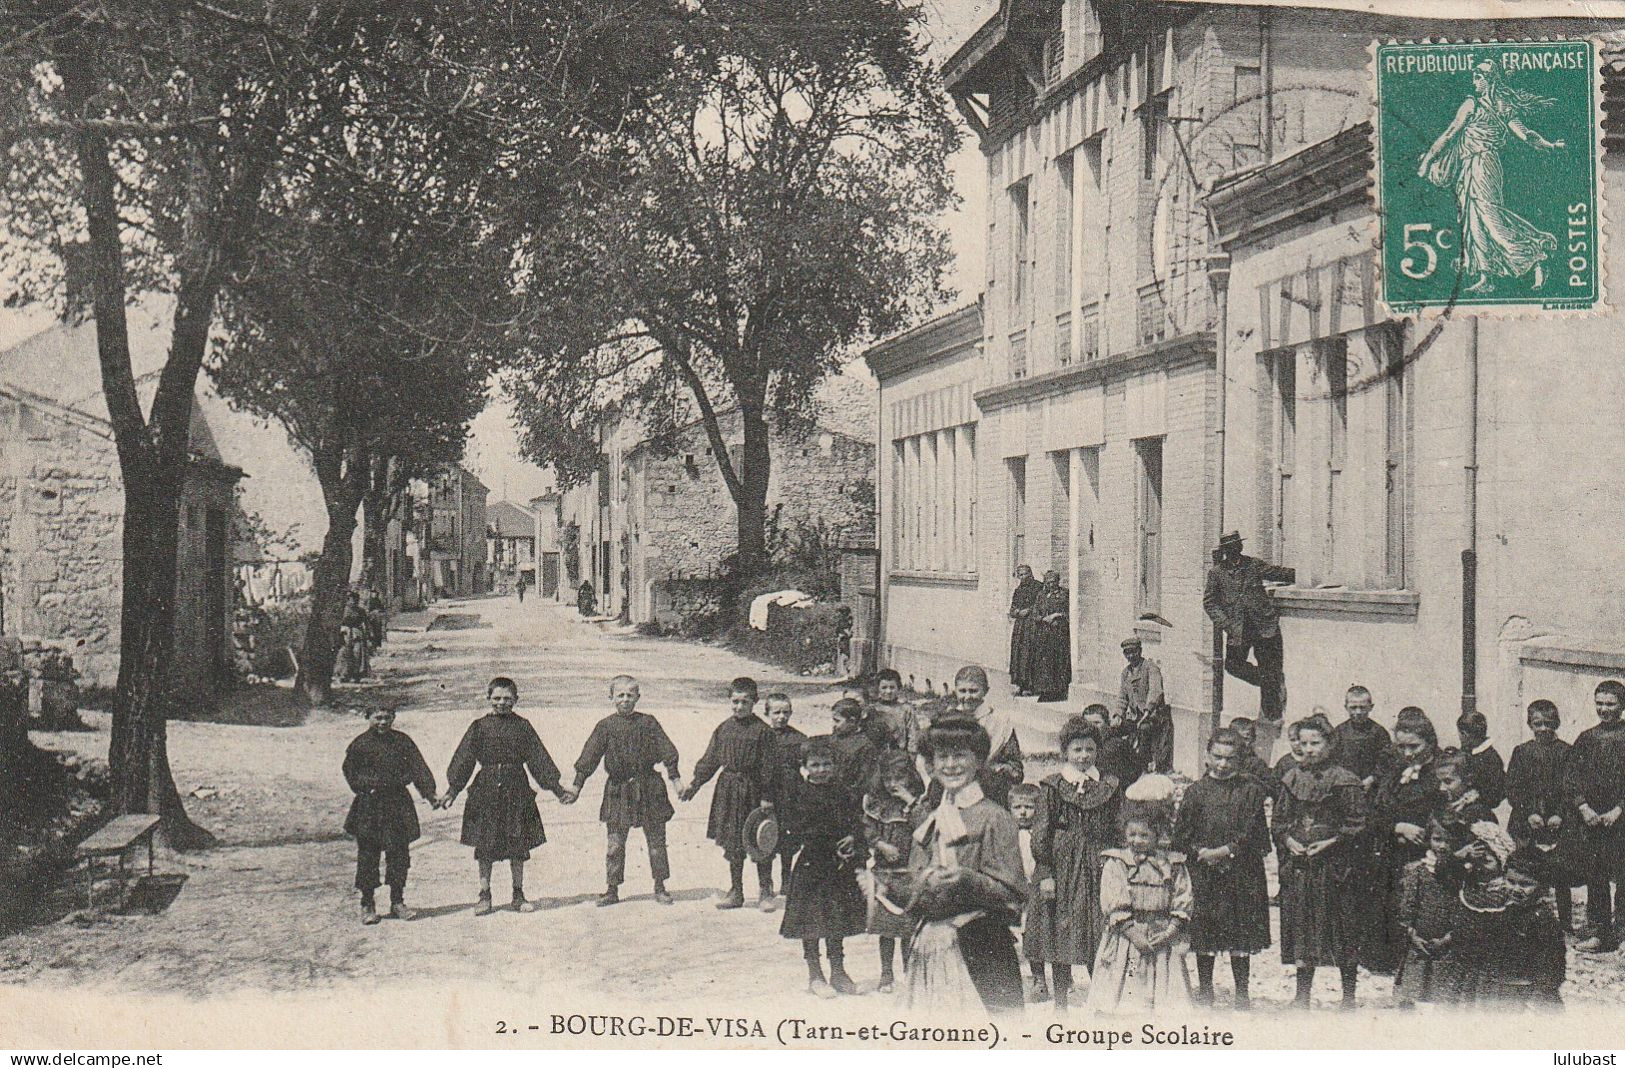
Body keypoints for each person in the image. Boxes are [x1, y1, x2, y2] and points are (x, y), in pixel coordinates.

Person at [902, 716, 1027, 1016]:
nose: (951, 765)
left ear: (979, 760)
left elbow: (1013, 895)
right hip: (930, 947)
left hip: (982, 945)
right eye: (942, 756)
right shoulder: (930, 817)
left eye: (960, 755)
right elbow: (913, 880)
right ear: (931, 764)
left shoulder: (994, 818)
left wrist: (967, 879)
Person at [1417, 60, 1563, 295]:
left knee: (1490, 217)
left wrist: (1550, 145)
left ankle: (1535, 257)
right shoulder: (1475, 103)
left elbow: (1524, 134)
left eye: (1479, 77)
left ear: (1490, 79)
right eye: (1474, 77)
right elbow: (1451, 133)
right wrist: (1429, 160)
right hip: (1468, 166)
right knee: (1472, 221)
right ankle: (1487, 277)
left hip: (1484, 165)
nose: (1474, 82)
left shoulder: (1486, 105)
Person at [441, 677, 572, 915]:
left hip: (516, 789)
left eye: (508, 699)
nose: (502, 703)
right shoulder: (478, 727)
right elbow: (464, 760)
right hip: (486, 791)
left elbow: (538, 759)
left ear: (516, 700)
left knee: (517, 842)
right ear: (488, 699)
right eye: (497, 698)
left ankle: (518, 893)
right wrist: (453, 789)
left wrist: (557, 789)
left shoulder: (523, 726)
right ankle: (484, 894)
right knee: (485, 844)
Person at [1174, 727, 1272, 1010]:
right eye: (1217, 757)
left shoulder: (1250, 791)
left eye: (1229, 758)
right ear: (1207, 755)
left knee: (1241, 933)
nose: (1222, 764)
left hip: (1241, 872)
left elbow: (1253, 832)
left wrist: (1226, 851)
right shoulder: (1195, 792)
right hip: (1205, 872)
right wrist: (1200, 852)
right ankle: (1206, 990)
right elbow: (1182, 834)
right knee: (1206, 932)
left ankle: (1242, 993)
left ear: (1239, 759)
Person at [1274, 716, 1367, 1009]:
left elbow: (1358, 824)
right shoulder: (1292, 778)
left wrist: (1329, 843)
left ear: (1330, 743)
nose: (1310, 749)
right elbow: (1279, 822)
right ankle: (1301, 996)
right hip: (1302, 868)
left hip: (1336, 868)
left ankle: (1348, 998)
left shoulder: (1345, 780)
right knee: (1303, 927)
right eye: (1304, 743)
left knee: (1342, 928)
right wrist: (1289, 842)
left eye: (1316, 743)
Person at [1031, 714, 1121, 1012]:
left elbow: (1117, 828)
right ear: (1065, 753)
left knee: (1099, 928)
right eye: (1077, 750)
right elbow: (1041, 831)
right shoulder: (1054, 786)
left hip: (1097, 864)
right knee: (1062, 929)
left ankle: (1100, 999)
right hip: (1062, 865)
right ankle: (1060, 1002)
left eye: (1089, 750)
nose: (1083, 756)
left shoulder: (1108, 786)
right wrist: (1045, 872)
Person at [569, 675, 681, 908]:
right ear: (611, 698)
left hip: (649, 788)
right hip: (618, 790)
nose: (625, 699)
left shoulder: (649, 723)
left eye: (630, 695)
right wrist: (577, 785)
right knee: (615, 844)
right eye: (620, 695)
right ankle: (612, 888)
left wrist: (676, 780)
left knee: (657, 842)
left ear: (638, 697)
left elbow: (668, 751)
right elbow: (589, 757)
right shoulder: (605, 726)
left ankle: (660, 887)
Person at [1087, 775, 1195, 1014]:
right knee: (1126, 985)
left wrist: (1170, 932)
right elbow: (1113, 901)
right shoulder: (1117, 862)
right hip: (1128, 938)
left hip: (1161, 935)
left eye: (1144, 836)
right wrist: (1133, 934)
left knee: (1165, 993)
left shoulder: (1172, 864)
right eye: (1132, 834)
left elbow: (1182, 897)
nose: (1137, 840)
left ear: (1158, 834)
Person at [1438, 825, 1566, 1008]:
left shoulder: (1543, 919)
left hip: (1529, 991)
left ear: (1542, 887)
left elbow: (1554, 962)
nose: (1516, 889)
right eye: (1511, 881)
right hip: (1501, 985)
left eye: (1525, 884)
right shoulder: (1507, 910)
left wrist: (1541, 992)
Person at [779, 736, 867, 998]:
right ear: (805, 766)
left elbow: (855, 821)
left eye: (826, 764)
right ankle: (815, 974)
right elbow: (793, 830)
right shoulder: (799, 794)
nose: (821, 770)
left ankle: (838, 971)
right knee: (811, 921)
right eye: (815, 765)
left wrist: (853, 837)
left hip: (838, 868)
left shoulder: (842, 792)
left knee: (836, 919)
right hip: (812, 866)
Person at [681, 677, 774, 910]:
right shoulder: (724, 729)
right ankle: (737, 891)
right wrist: (695, 784)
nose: (739, 707)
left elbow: (770, 767)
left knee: (760, 839)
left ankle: (765, 891)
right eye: (735, 702)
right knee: (733, 841)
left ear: (755, 702)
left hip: (753, 790)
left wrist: (767, 795)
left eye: (745, 702)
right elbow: (711, 760)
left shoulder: (763, 731)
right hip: (729, 791)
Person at [342, 706, 439, 925]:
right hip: (370, 804)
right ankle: (367, 903)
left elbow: (418, 768)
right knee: (368, 854)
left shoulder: (403, 741)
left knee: (398, 853)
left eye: (387, 718)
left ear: (393, 718)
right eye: (377, 717)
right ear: (368, 717)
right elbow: (350, 771)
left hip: (397, 803)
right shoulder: (360, 744)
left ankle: (397, 901)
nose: (382, 722)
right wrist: (364, 787)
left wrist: (429, 793)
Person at [1365, 711, 1446, 973]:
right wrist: (1398, 826)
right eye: (1401, 747)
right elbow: (1376, 812)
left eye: (1414, 746)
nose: (1408, 753)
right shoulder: (1396, 770)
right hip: (1393, 849)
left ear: (1430, 742)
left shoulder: (1441, 773)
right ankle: (1388, 961)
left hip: (1425, 851)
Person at [1202, 531, 1294, 722]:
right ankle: (1270, 680)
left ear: (1241, 547)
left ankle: (1273, 718)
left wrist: (1302, 575)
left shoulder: (1253, 564)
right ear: (1225, 550)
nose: (1235, 550)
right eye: (1230, 547)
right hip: (1238, 629)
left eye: (1237, 545)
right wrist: (1226, 624)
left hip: (1264, 625)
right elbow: (1209, 603)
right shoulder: (1217, 573)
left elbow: (1277, 572)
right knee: (1233, 665)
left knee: (1268, 664)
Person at [1563, 678, 1625, 952]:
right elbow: (1571, 778)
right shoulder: (1587, 739)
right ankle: (1599, 931)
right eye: (1599, 703)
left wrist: (1619, 809)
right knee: (1596, 876)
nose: (1604, 709)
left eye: (1610, 704)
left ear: (1622, 705)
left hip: (1621, 820)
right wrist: (1583, 807)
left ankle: (1622, 933)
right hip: (1593, 822)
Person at [1506, 699, 1575, 930]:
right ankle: (1520, 920)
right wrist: (1528, 813)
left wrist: (1561, 814)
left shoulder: (1566, 752)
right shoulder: (1522, 752)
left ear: (1556, 723)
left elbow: (1571, 787)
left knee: (1560, 874)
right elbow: (1513, 788)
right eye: (1538, 723)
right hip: (1527, 822)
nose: (1543, 728)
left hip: (1558, 823)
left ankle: (1564, 924)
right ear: (1530, 724)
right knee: (1525, 871)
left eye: (1548, 723)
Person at [863, 750, 927, 994]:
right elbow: (867, 830)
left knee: (909, 927)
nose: (892, 785)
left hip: (910, 873)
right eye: (888, 780)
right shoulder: (877, 805)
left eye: (899, 779)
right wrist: (881, 845)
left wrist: (910, 801)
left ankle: (910, 971)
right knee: (887, 927)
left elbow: (926, 828)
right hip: (885, 873)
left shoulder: (918, 803)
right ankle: (886, 973)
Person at [924, 666, 1023, 810]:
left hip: (988, 788)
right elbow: (930, 757)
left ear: (985, 691)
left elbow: (1015, 767)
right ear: (955, 690)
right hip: (951, 783)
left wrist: (998, 769)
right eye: (962, 691)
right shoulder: (947, 719)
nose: (967, 697)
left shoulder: (1000, 722)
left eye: (973, 691)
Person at [1393, 817, 1466, 1010]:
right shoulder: (1417, 870)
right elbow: (1408, 905)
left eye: (1448, 841)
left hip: (1447, 944)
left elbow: (1462, 909)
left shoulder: (1461, 874)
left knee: (1444, 999)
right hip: (1419, 943)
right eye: (1437, 839)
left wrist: (1449, 938)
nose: (1442, 846)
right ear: (1428, 840)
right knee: (1410, 997)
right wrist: (1412, 935)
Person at [761, 692, 807, 909]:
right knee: (768, 836)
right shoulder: (762, 736)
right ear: (767, 713)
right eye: (776, 712)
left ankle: (786, 878)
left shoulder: (799, 739)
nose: (781, 717)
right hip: (768, 794)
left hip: (792, 793)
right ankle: (766, 882)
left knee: (789, 838)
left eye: (785, 712)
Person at [1009, 782, 1051, 1004]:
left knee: (1045, 932)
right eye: (1017, 807)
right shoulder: (1010, 834)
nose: (1023, 812)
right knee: (1028, 933)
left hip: (1040, 887)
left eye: (1029, 807)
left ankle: (1066, 979)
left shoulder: (1043, 834)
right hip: (1020, 890)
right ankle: (1038, 979)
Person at [1118, 637, 1173, 774]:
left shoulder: (1150, 668)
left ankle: (1143, 767)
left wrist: (1148, 709)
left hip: (1154, 714)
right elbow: (1122, 697)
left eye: (1134, 652)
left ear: (1140, 651)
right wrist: (1117, 714)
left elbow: (1155, 690)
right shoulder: (1126, 673)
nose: (1131, 656)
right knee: (1116, 729)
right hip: (1136, 716)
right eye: (1127, 653)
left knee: (1144, 729)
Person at [1332, 685, 1390, 792]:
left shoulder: (1379, 732)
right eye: (1353, 707)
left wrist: (1372, 778)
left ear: (1371, 707)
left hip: (1372, 788)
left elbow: (1387, 761)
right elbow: (1333, 760)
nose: (1358, 712)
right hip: (1345, 786)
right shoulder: (1339, 732)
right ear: (1346, 707)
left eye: (1362, 707)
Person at [1027, 570, 1071, 702]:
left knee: (1058, 662)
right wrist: (1043, 618)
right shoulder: (1041, 595)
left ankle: (1058, 691)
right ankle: (1045, 691)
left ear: (1058, 582)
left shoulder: (1064, 594)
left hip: (1059, 634)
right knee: (1044, 663)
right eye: (1048, 582)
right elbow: (1035, 613)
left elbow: (1070, 611)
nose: (1051, 585)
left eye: (1053, 582)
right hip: (1043, 634)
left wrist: (1057, 615)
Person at [1457, 710, 1508, 811]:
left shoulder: (1490, 758)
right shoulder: (1467, 753)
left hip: (1482, 809)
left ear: (1464, 735)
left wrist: (1477, 796)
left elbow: (1496, 792)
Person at [830, 697, 882, 796]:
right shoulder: (835, 738)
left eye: (837, 721)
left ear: (852, 721)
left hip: (849, 796)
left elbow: (864, 780)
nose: (833, 725)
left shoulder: (865, 746)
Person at [1007, 565, 1041, 696]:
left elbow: (1041, 604)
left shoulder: (1038, 587)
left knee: (1030, 654)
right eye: (1020, 575)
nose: (1023, 577)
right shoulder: (1018, 590)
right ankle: (1019, 684)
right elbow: (1012, 608)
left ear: (1031, 574)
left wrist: (1029, 610)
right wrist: (1016, 612)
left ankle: (1030, 686)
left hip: (1032, 626)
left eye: (1025, 574)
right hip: (1020, 626)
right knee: (1018, 654)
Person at [340, 591, 371, 682]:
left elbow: (366, 623)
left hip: (357, 634)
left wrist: (369, 636)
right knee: (345, 653)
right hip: (345, 634)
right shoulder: (343, 610)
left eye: (355, 600)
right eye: (351, 600)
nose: (353, 602)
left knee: (357, 654)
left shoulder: (361, 611)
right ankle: (344, 674)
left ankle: (356, 674)